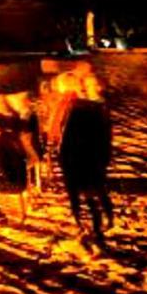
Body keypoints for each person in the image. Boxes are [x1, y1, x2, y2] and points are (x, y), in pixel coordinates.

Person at [57, 87, 114, 245]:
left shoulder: (75, 116)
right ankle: (102, 223)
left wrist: (62, 160)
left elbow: (65, 142)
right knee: (95, 193)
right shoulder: (98, 115)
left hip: (77, 162)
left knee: (80, 195)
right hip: (92, 162)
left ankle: (87, 226)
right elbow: (105, 142)